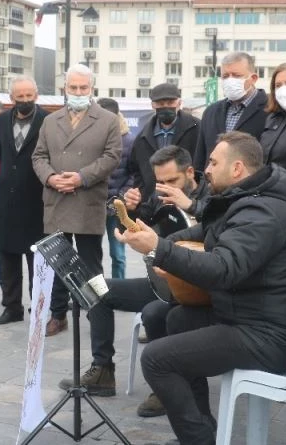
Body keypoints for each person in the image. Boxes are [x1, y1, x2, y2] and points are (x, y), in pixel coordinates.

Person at [119, 132, 286, 445]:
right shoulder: (248, 199)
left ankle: (198, 441)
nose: (205, 169)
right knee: (175, 320)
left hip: (269, 335)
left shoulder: (261, 212)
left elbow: (223, 269)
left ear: (237, 169)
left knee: (156, 359)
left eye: (213, 162)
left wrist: (159, 249)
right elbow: (208, 230)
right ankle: (204, 429)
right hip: (251, 316)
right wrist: (161, 242)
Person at [59, 145, 209, 417]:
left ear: (189, 172)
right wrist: (129, 209)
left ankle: (168, 387)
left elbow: (217, 230)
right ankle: (103, 370)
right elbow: (132, 229)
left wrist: (192, 206)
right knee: (97, 287)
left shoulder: (208, 196)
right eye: (160, 182)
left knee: (154, 314)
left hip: (193, 292)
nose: (165, 188)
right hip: (159, 284)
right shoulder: (158, 195)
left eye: (172, 181)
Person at [31, 64, 122, 336]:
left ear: (91, 89)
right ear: (65, 88)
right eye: (73, 87)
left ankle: (98, 310)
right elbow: (39, 157)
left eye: (83, 87)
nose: (78, 92)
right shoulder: (50, 120)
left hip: (87, 200)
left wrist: (81, 177)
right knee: (58, 261)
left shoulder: (107, 120)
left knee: (91, 262)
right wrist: (50, 178)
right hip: (57, 199)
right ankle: (58, 314)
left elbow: (112, 156)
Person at [0, 76, 47, 325]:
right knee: (8, 258)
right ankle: (11, 307)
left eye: (29, 96)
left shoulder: (47, 120)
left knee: (37, 261)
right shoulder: (2, 120)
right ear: (11, 97)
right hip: (7, 200)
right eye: (19, 97)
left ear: (36, 95)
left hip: (36, 199)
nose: (24, 101)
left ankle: (38, 309)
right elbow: (3, 154)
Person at [193, 52, 268, 170]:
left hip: (252, 185)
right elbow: (200, 157)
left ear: (253, 78)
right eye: (225, 76)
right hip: (212, 186)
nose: (230, 80)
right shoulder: (211, 112)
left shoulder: (270, 110)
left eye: (237, 76)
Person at [128, 82, 200, 202]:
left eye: (171, 103)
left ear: (179, 103)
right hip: (154, 205)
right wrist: (142, 197)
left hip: (190, 200)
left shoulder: (197, 128)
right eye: (161, 104)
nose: (166, 107)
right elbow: (137, 172)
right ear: (153, 105)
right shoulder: (143, 137)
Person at [97, 97, 133, 280]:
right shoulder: (92, 137)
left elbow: (133, 174)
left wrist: (120, 197)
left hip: (117, 205)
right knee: (93, 254)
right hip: (94, 203)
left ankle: (120, 289)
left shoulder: (127, 140)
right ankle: (96, 293)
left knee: (117, 253)